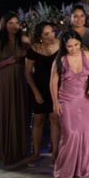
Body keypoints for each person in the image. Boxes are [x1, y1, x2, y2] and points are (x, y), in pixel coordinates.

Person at [50, 31, 89, 178]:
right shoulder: (61, 60)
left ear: (80, 42)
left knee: (86, 132)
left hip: (85, 100)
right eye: (69, 46)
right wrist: (55, 102)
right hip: (67, 100)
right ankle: (64, 170)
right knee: (70, 134)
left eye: (76, 44)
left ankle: (81, 167)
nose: (74, 48)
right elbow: (52, 83)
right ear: (64, 47)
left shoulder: (87, 55)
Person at [0, 12, 29, 166]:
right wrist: (6, 61)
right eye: (10, 23)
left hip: (20, 79)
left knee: (20, 112)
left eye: (16, 23)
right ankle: (8, 151)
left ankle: (21, 151)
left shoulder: (22, 41)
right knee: (7, 112)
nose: (14, 26)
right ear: (4, 25)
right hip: (5, 80)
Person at [25, 22, 60, 167]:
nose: (51, 36)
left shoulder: (60, 45)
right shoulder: (33, 49)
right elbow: (27, 73)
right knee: (38, 120)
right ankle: (36, 153)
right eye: (46, 34)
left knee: (55, 119)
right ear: (39, 36)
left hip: (57, 87)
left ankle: (55, 154)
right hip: (39, 87)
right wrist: (35, 91)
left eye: (52, 32)